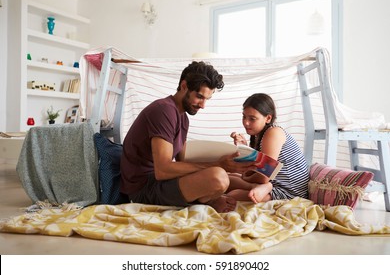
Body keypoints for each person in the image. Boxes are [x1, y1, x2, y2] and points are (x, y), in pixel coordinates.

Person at [120, 61, 256, 213]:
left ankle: (260, 188)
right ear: (184, 86)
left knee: (226, 174)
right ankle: (209, 202)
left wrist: (227, 162)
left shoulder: (182, 117)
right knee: (218, 177)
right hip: (144, 188)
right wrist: (217, 165)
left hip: (161, 182)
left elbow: (183, 161)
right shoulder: (164, 111)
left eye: (207, 99)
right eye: (199, 96)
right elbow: (163, 170)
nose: (203, 105)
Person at [227, 93, 309, 204]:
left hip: (290, 193)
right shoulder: (261, 135)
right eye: (244, 117)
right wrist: (245, 149)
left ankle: (266, 187)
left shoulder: (273, 133)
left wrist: (244, 177)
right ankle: (264, 187)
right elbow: (255, 170)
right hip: (274, 183)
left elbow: (263, 176)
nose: (246, 122)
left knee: (233, 194)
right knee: (228, 177)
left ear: (268, 118)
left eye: (252, 119)